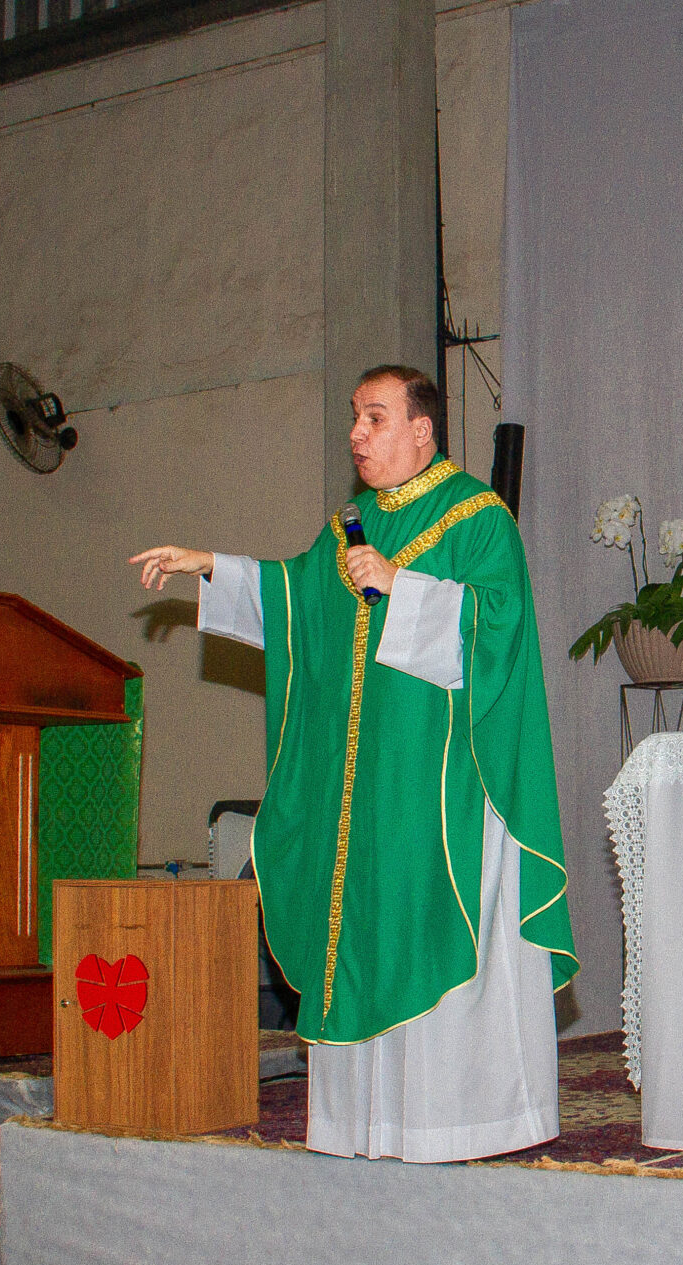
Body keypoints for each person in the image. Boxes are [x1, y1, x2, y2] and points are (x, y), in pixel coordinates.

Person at [130, 365, 577, 1163]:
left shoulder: (478, 517)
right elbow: (298, 602)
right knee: (361, 927)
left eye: (375, 417)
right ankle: (371, 1125)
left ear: (422, 429)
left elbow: (501, 629)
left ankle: (461, 1122)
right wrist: (212, 565)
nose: (356, 434)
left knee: (426, 925)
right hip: (360, 793)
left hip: (441, 783)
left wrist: (404, 585)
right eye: (354, 417)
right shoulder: (349, 530)